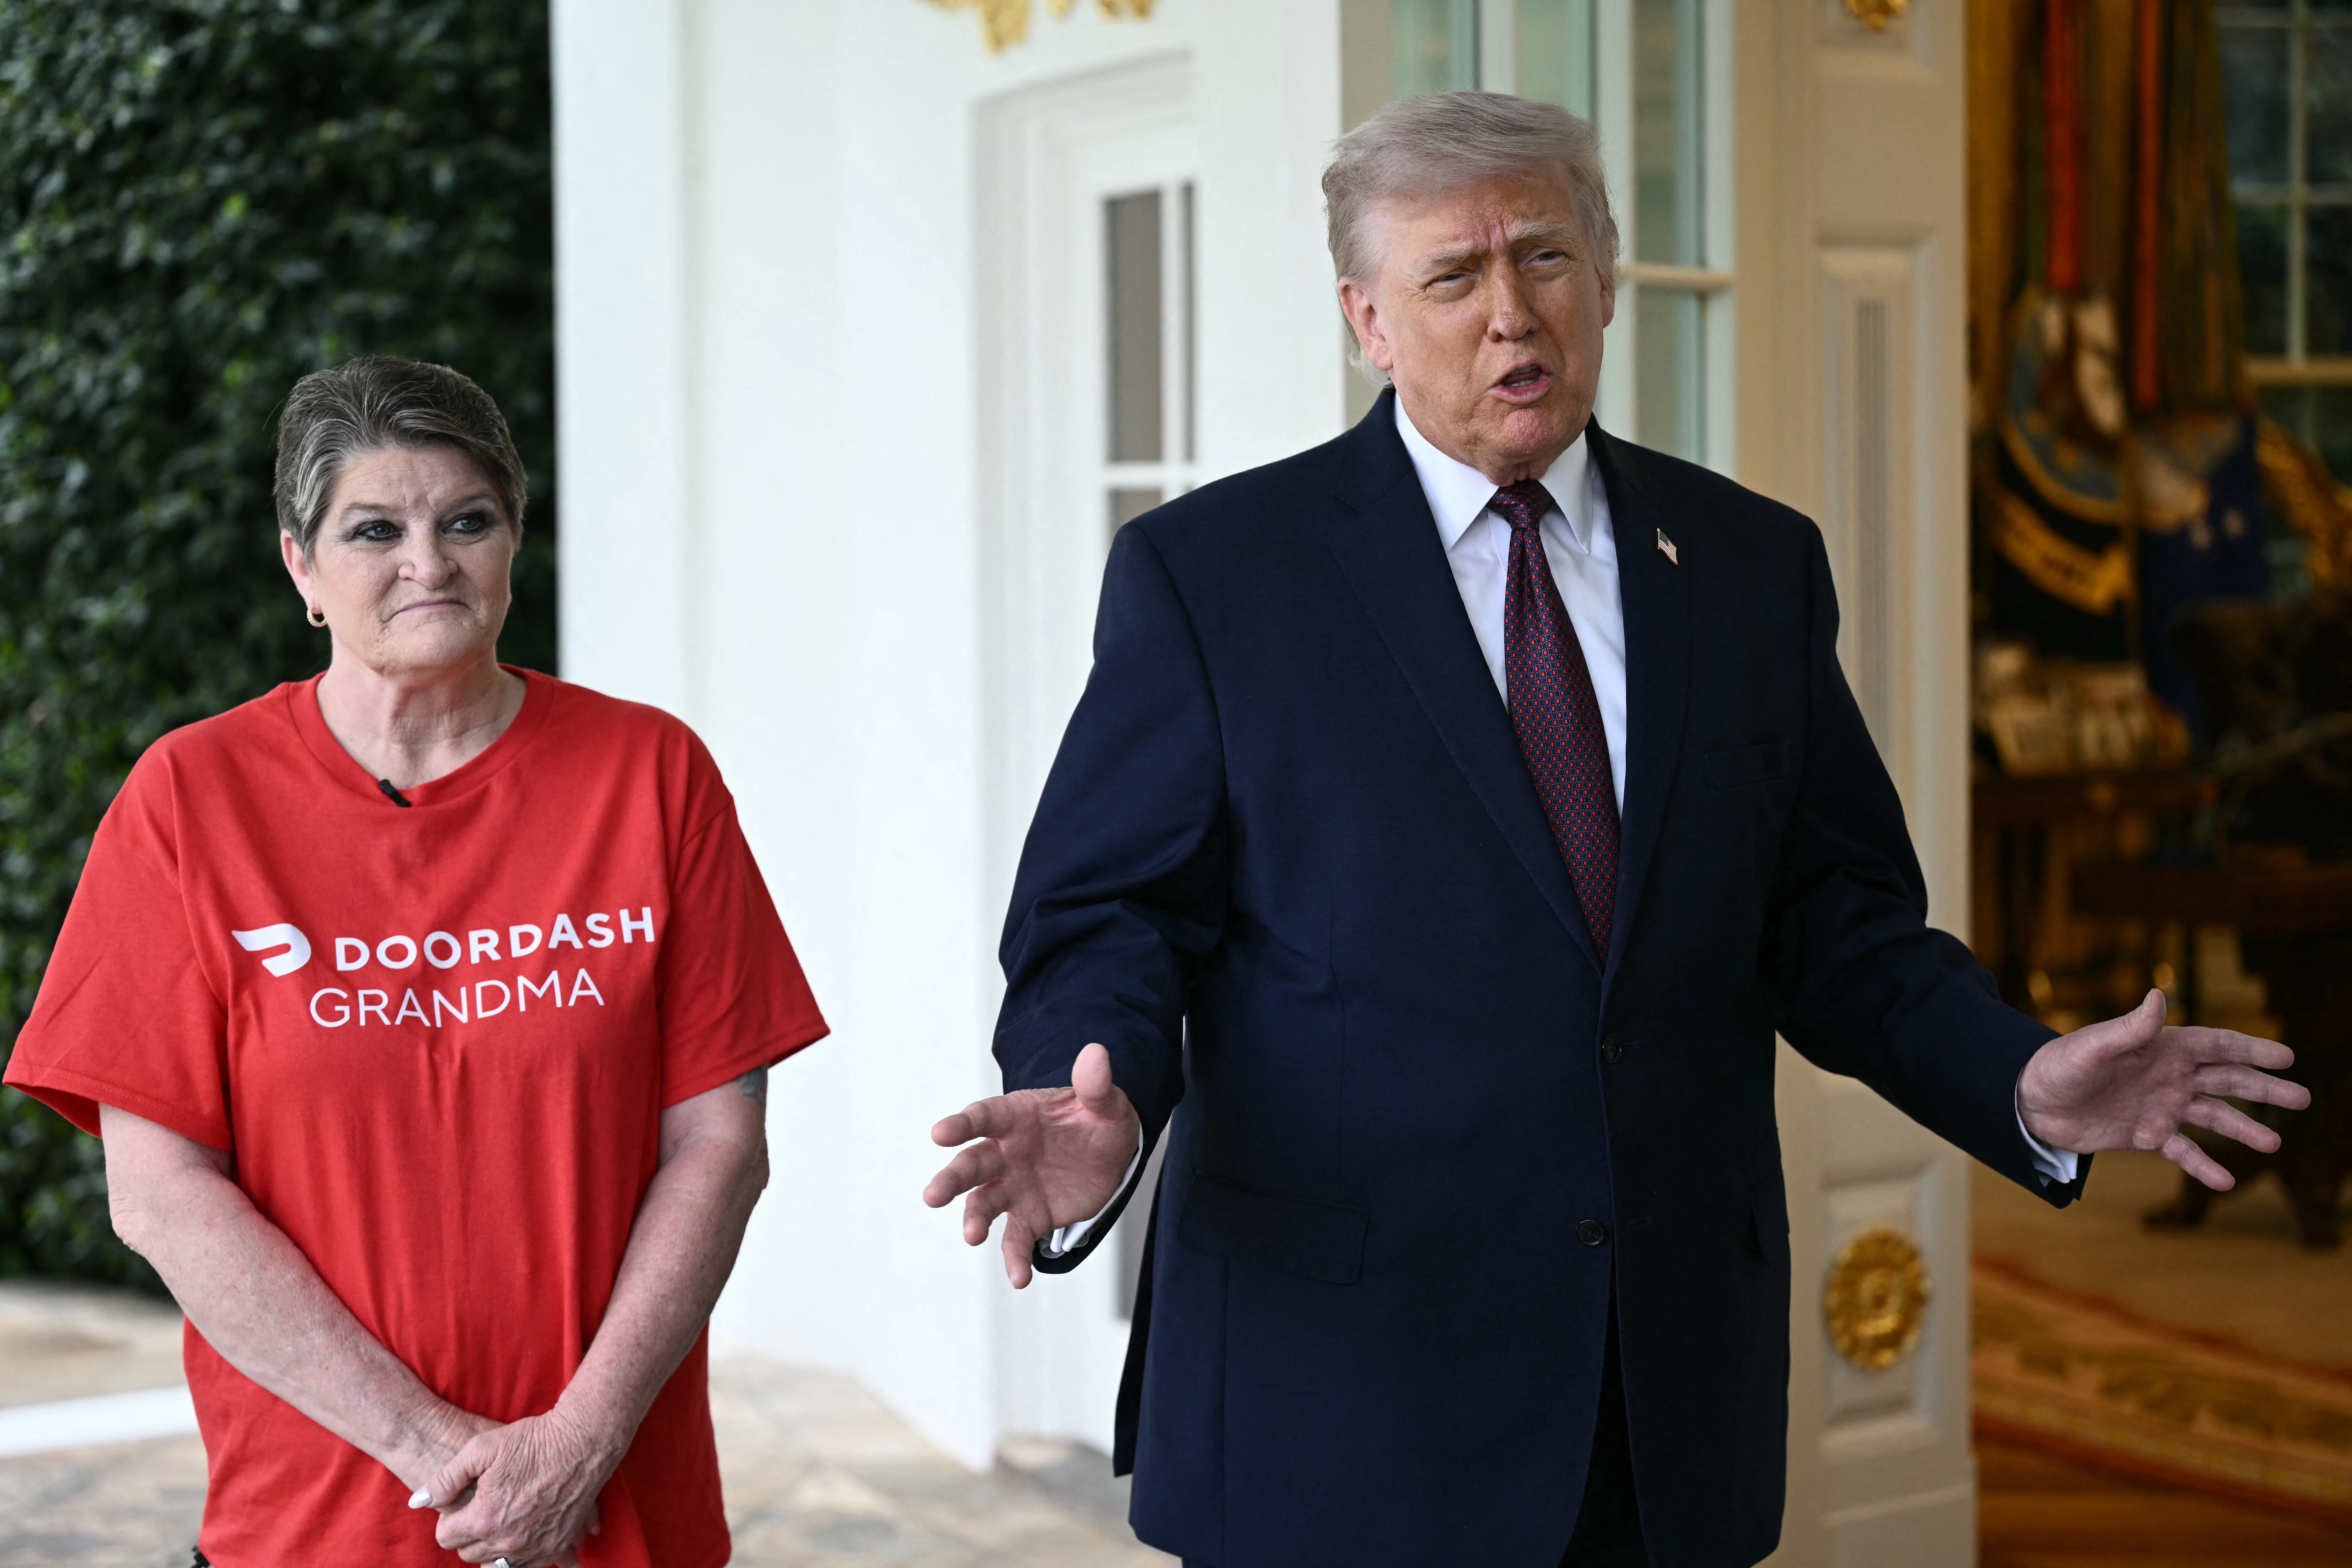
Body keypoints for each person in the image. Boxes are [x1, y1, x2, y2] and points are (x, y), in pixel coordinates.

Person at [922, 94, 2310, 1568]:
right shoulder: (1212, 577)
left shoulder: (1747, 563)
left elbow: (1835, 926)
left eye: (1546, 257)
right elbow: (1109, 918)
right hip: (1338, 1394)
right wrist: (1103, 1098)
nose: (1511, 312)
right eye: (1452, 279)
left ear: (1606, 278)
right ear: (1368, 322)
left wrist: (2019, 1080)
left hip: (1654, 1399)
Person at [2, 355, 827, 1568]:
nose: (427, 564)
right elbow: (160, 1190)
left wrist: (576, 1445)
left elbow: (716, 1144)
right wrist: (444, 1457)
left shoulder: (651, 779)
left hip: (618, 1511)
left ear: (512, 541)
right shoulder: (192, 802)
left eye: (468, 522)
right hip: (314, 1527)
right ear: (302, 566)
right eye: (375, 529)